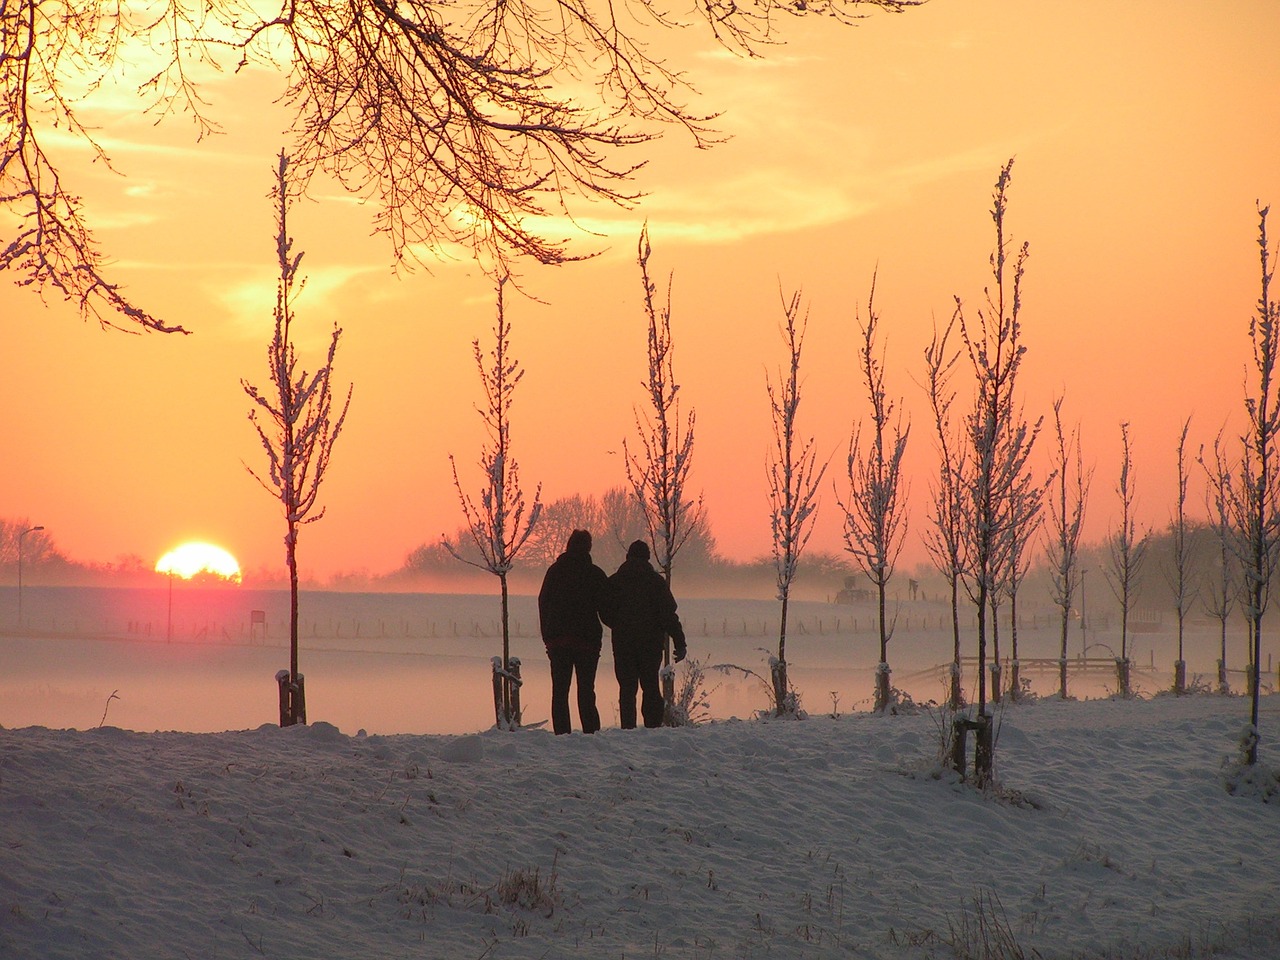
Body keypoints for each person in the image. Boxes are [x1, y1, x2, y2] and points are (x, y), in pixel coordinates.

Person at [604, 539, 687, 729]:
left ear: (628, 557)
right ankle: (652, 727)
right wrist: (679, 642)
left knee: (627, 689)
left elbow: (605, 610)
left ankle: (628, 729)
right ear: (648, 558)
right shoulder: (656, 582)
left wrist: (616, 625)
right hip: (651, 644)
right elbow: (669, 615)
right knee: (650, 686)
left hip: (623, 643)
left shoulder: (615, 581)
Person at [537, 529, 609, 735]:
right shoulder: (594, 574)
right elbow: (607, 607)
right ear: (588, 547)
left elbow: (543, 602)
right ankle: (591, 733)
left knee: (560, 691)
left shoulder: (554, 571)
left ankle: (562, 734)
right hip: (587, 642)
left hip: (558, 642)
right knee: (586, 691)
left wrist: (548, 635)